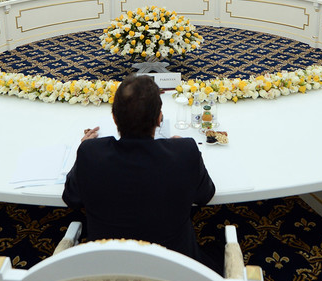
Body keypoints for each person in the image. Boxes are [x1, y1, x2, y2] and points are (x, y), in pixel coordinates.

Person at [62, 76, 217, 270]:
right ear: (159, 118)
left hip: (106, 270)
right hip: (174, 270)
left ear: (114, 118)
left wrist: (84, 150)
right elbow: (205, 195)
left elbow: (71, 198)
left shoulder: (90, 153)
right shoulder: (184, 152)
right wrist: (181, 149)